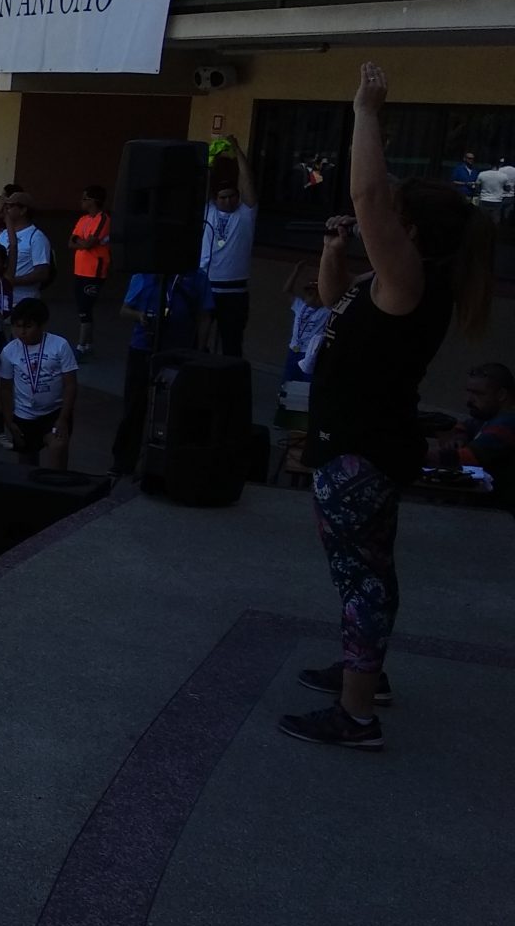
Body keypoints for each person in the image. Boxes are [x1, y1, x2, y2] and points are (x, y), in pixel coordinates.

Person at [283, 63, 494, 751]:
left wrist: (366, 112)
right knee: (368, 572)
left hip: (360, 451)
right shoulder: (395, 281)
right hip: (362, 445)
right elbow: (332, 297)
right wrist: (332, 250)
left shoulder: (411, 279)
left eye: (395, 220)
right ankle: (365, 679)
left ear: (413, 232)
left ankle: (356, 716)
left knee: (361, 581)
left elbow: (368, 191)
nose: (382, 221)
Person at [108, 266, 212, 477]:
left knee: (175, 407)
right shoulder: (144, 274)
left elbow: (205, 315)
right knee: (134, 405)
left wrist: (199, 351)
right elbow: (124, 310)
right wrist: (140, 316)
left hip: (179, 350)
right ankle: (123, 462)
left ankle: (170, 464)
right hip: (143, 347)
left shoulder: (196, 277)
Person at [0, 298, 79, 470]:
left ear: (42, 325)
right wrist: (8, 419)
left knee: (58, 451)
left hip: (54, 413)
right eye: (18, 326)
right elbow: (5, 388)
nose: (22, 332)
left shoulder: (60, 345)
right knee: (26, 468)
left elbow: (70, 384)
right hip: (24, 416)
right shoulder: (9, 351)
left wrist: (63, 418)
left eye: (28, 326)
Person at [199, 135, 257, 358]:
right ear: (216, 198)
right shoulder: (208, 211)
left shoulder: (245, 214)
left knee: (232, 343)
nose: (228, 201)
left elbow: (247, 181)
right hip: (207, 284)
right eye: (223, 197)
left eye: (232, 196)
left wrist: (237, 149)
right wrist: (211, 160)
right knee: (198, 339)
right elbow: (203, 185)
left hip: (235, 291)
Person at [429, 362, 514, 508]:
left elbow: (466, 458)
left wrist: (418, 454)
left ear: (501, 395)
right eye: (469, 392)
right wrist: (460, 437)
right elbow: (465, 425)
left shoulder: (508, 422)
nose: (469, 400)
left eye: (478, 394)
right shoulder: (488, 416)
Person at [0, 190, 54, 306]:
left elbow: (42, 273)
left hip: (23, 300)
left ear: (23, 210)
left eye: (9, 206)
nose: (5, 210)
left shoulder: (36, 237)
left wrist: (12, 280)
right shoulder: (4, 234)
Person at [69, 185, 112, 358]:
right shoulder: (83, 219)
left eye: (84, 199)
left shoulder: (103, 219)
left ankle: (81, 347)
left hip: (94, 271)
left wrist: (81, 241)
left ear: (93, 201)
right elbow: (71, 242)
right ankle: (88, 344)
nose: (81, 201)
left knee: (85, 308)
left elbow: (88, 244)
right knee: (82, 307)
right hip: (80, 270)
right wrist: (82, 242)